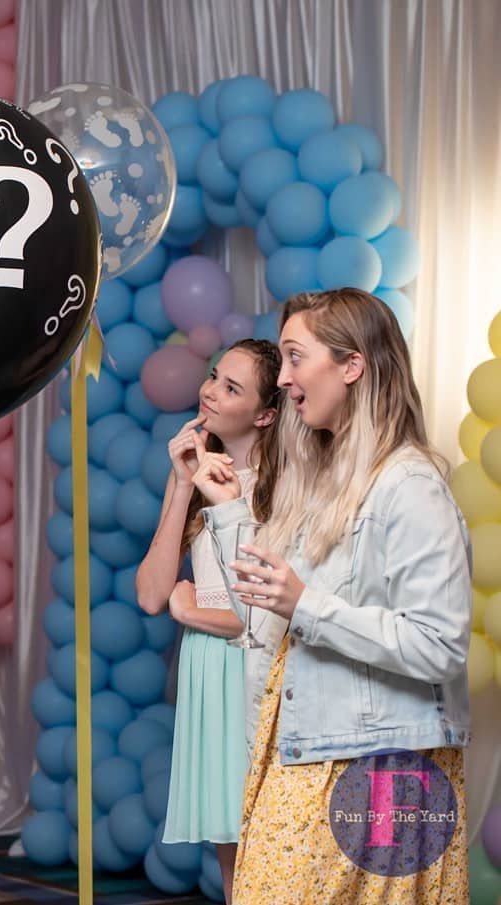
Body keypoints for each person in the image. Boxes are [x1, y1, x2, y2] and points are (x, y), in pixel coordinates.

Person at [199, 288, 471, 902]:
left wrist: (308, 606)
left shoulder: (409, 485)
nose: (286, 379)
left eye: (296, 358)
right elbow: (269, 609)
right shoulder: (320, 480)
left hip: (381, 767)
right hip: (308, 750)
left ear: (352, 366)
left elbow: (440, 645)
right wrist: (232, 513)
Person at [135, 338, 283, 901]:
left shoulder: (275, 489)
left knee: (269, 845)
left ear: (267, 414)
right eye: (215, 376)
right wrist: (181, 483)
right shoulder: (202, 480)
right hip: (206, 676)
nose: (210, 391)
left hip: (250, 673)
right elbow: (151, 594)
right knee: (232, 862)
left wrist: (188, 608)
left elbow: (258, 614)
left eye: (231, 387)